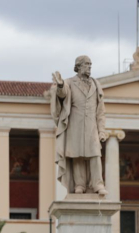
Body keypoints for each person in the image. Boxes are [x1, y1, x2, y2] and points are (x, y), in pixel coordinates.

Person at [50, 56, 107, 195]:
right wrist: (60, 85)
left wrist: (102, 131)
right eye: (86, 64)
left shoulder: (96, 84)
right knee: (77, 156)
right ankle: (79, 185)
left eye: (90, 64)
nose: (89, 67)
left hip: (91, 126)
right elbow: (63, 95)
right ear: (78, 66)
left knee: (95, 155)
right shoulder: (69, 83)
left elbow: (100, 112)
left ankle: (98, 184)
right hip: (75, 125)